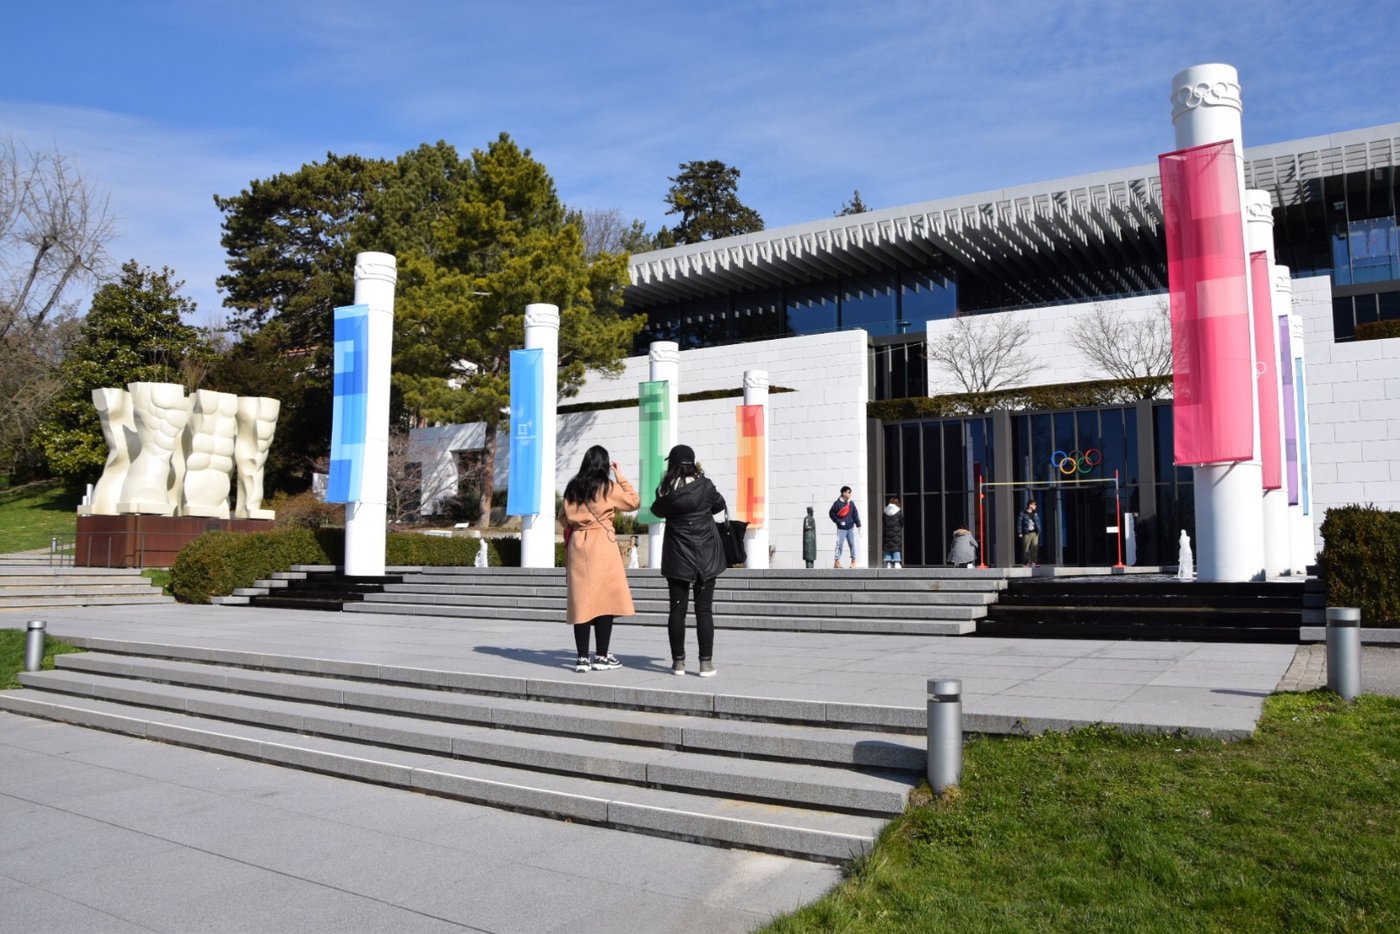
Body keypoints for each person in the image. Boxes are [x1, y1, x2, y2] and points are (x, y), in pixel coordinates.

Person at [560, 445, 640, 673]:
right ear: (605, 465)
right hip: (602, 544)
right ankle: (602, 657)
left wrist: (579, 524)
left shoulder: (572, 487)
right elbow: (634, 501)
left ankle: (582, 659)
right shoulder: (607, 486)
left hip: (578, 544)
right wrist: (620, 476)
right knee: (605, 600)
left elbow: (563, 518)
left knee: (581, 602)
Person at [650, 443, 727, 677]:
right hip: (706, 554)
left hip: (678, 556)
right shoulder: (706, 485)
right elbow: (720, 504)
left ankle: (678, 663)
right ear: (693, 463)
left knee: (677, 610)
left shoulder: (665, 491)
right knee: (704, 610)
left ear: (672, 465)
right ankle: (705, 664)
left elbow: (656, 510)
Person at [828, 486, 862, 568]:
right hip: (841, 528)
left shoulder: (851, 503)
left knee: (852, 544)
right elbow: (831, 513)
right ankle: (837, 561)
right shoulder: (837, 504)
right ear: (844, 493)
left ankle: (853, 561)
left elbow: (855, 514)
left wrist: (858, 525)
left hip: (850, 527)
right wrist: (838, 521)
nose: (850, 494)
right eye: (849, 492)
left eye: (850, 492)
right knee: (839, 545)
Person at [881, 496, 905, 568]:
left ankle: (888, 562)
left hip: (887, 532)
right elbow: (902, 521)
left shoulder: (885, 511)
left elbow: (884, 522)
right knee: (896, 546)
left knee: (888, 546)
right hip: (896, 533)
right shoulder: (898, 511)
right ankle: (897, 562)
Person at [1017, 499, 1040, 567]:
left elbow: (1038, 522)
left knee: (1034, 547)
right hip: (1026, 533)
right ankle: (1026, 562)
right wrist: (1019, 532)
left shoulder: (1035, 513)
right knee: (1026, 548)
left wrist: (1039, 530)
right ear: (1030, 505)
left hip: (1035, 533)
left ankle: (1034, 561)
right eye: (1034, 504)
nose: (1035, 506)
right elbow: (1019, 523)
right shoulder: (1023, 513)